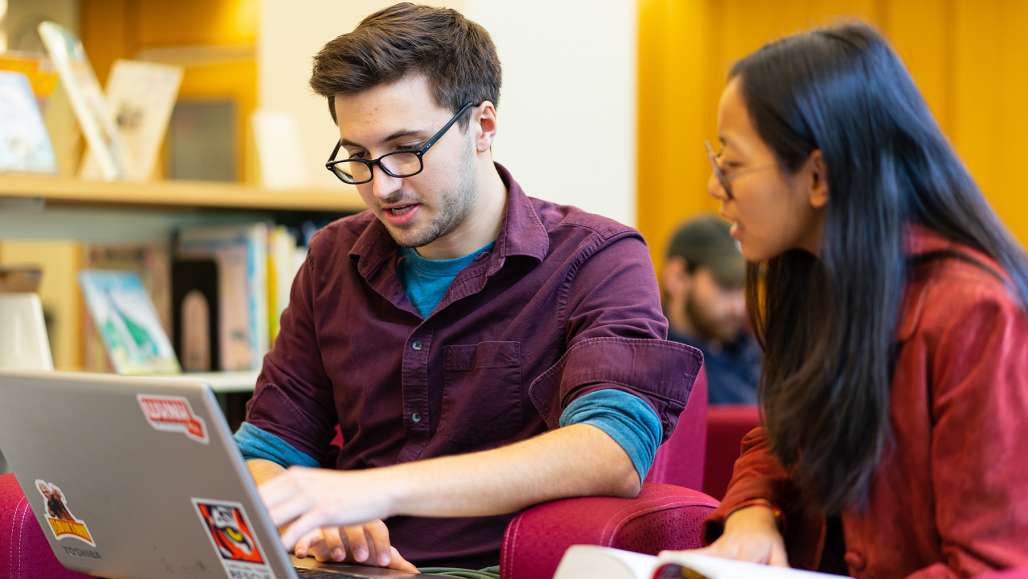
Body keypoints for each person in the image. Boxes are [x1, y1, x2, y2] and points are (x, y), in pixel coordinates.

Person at [234, 3, 700, 574]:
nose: (382, 186)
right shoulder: (333, 256)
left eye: (407, 149)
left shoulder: (597, 257)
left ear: (483, 125)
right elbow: (266, 450)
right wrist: (310, 515)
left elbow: (612, 449)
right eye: (357, 156)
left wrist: (373, 491)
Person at [676, 22, 1028, 577]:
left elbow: (992, 566)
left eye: (733, 164)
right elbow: (779, 438)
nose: (716, 187)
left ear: (817, 175)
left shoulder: (975, 314)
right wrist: (752, 513)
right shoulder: (819, 278)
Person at [662, 215, 760, 404]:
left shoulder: (757, 353)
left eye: (742, 287)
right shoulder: (649, 371)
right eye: (725, 285)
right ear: (677, 278)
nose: (739, 306)